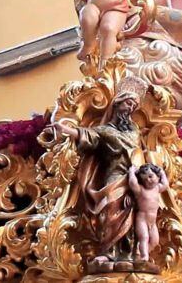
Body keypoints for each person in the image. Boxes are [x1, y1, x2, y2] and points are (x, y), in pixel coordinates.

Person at [54, 75, 148, 273]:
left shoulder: (134, 129)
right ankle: (107, 251)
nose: (130, 108)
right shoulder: (104, 130)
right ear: (117, 103)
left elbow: (139, 150)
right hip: (113, 177)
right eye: (128, 103)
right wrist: (65, 129)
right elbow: (86, 135)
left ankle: (128, 252)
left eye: (134, 106)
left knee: (134, 215)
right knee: (111, 211)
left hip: (136, 178)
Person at [128, 163, 168, 263]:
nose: (148, 180)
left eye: (151, 176)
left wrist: (162, 173)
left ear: (157, 177)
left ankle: (139, 252)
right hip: (142, 219)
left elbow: (165, 185)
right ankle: (144, 256)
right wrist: (131, 172)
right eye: (144, 179)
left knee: (155, 241)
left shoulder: (157, 188)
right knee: (144, 237)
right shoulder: (141, 190)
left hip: (152, 221)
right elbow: (133, 184)